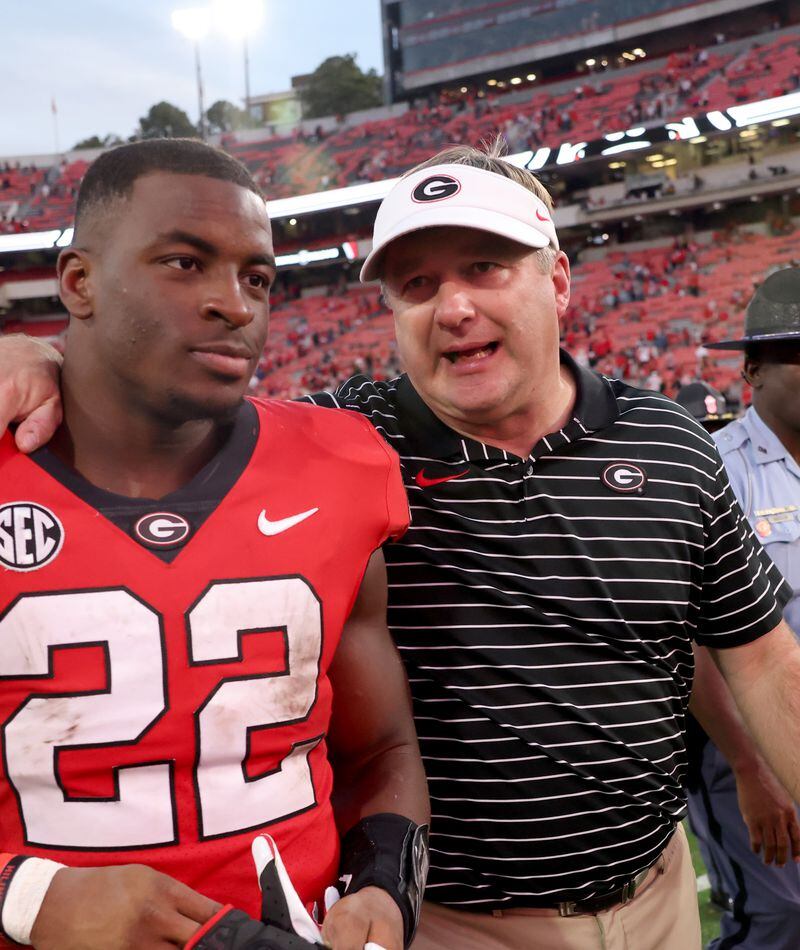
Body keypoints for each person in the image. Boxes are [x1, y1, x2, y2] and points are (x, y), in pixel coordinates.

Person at [3, 142, 800, 950]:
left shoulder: (665, 440)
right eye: (417, 284)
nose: (452, 307)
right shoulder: (343, 444)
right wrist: (43, 356)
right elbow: (161, 412)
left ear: (557, 280)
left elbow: (762, 659)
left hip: (656, 893)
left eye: (485, 267)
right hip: (449, 920)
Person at [0, 139, 430, 950]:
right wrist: (29, 897)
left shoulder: (338, 467)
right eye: (183, 264)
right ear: (77, 282)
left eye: (257, 278)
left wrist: (384, 885)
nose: (234, 304)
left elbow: (382, 748)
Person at [684, 269, 800, 949]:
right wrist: (753, 767)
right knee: (777, 922)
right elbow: (692, 636)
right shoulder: (712, 469)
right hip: (746, 748)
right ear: (752, 367)